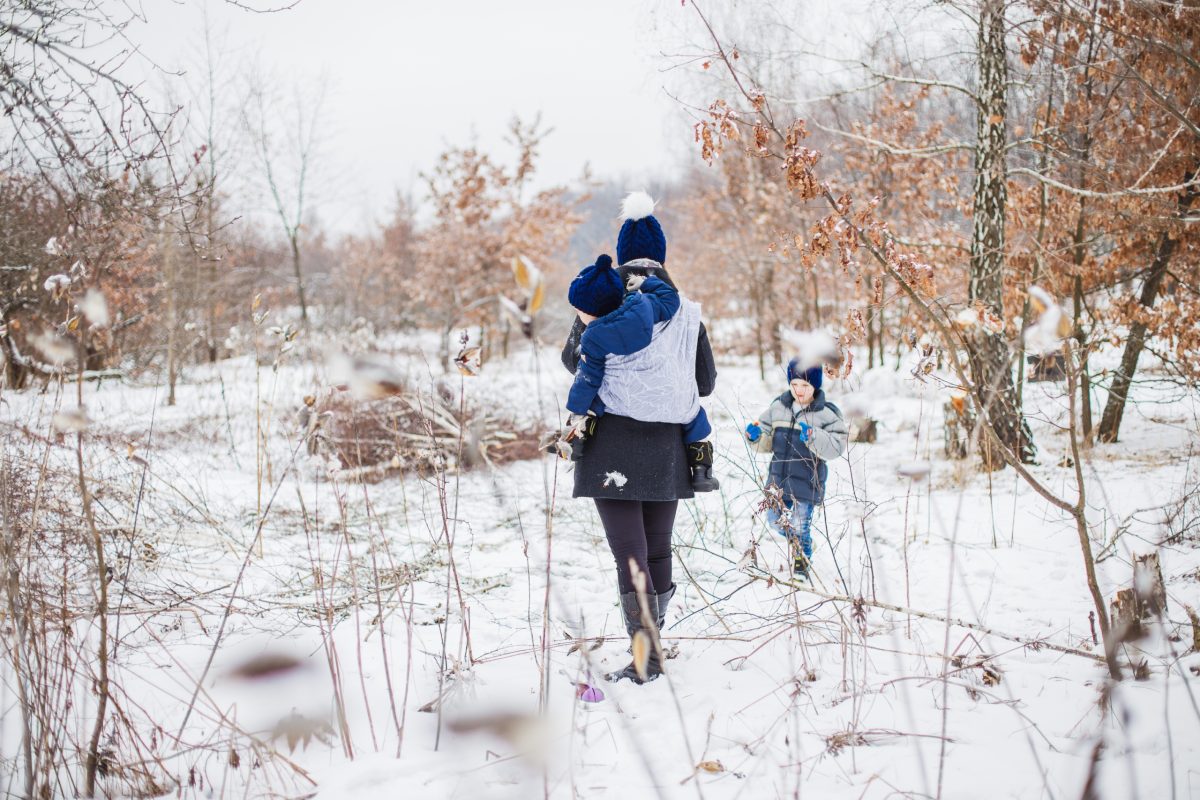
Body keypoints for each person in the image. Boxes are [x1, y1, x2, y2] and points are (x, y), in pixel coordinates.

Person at [561, 191, 717, 683]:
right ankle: (650, 648)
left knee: (629, 553)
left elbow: (574, 360)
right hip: (668, 446)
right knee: (656, 548)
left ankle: (645, 655)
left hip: (611, 445)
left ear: (623, 255)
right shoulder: (687, 311)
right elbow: (706, 382)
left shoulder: (607, 301)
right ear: (663, 257)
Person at [563, 252, 717, 491]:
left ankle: (577, 437)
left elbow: (584, 376)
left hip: (615, 432)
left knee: (593, 401)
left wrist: (576, 410)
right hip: (671, 423)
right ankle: (701, 466)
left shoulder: (595, 332)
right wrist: (648, 283)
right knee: (694, 412)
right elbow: (705, 386)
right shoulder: (651, 306)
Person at [744, 358, 848, 581]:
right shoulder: (777, 407)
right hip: (777, 481)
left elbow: (837, 447)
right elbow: (765, 438)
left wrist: (814, 437)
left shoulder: (827, 413)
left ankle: (801, 566)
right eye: (795, 385)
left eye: (805, 386)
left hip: (807, 482)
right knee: (773, 520)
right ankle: (804, 541)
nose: (799, 391)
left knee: (800, 526)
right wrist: (755, 437)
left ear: (816, 386)